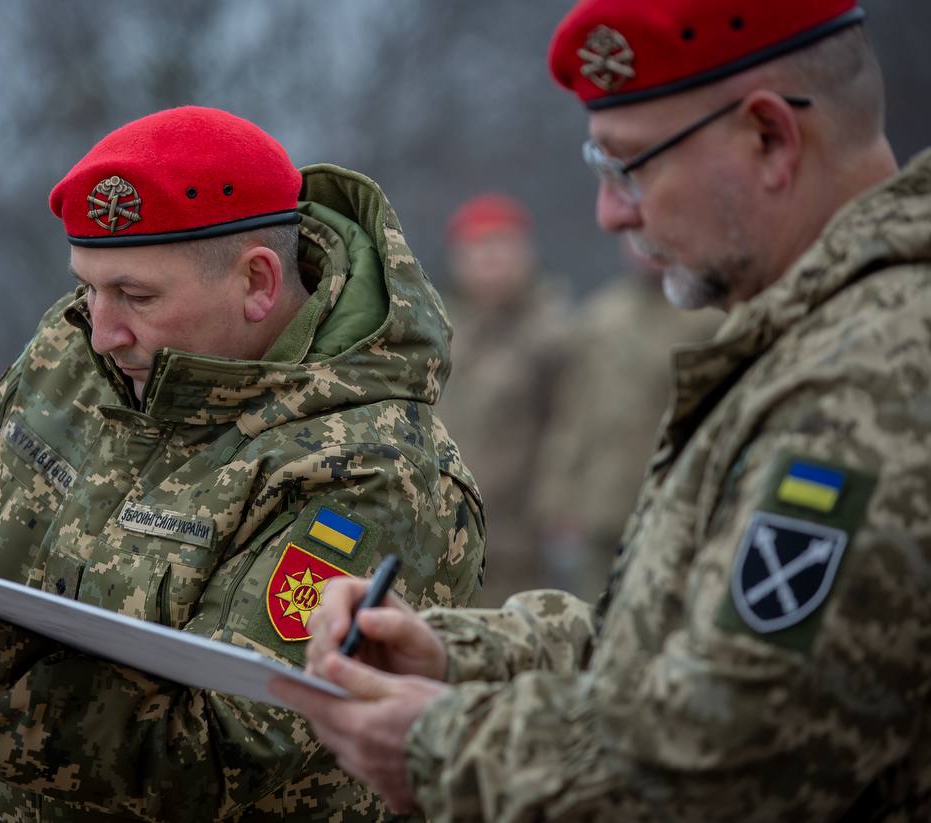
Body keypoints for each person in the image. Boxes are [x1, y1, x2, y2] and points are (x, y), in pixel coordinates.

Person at [272, 1, 931, 819]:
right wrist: (452, 655)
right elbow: (658, 641)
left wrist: (439, 743)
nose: (611, 213)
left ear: (770, 138)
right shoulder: (813, 339)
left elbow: (727, 751)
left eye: (630, 166)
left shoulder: (875, 370)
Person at [0, 106, 485, 821]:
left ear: (258, 283)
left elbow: (223, 751)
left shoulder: (374, 469)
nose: (100, 330)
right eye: (87, 285)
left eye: (136, 294)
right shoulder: (80, 347)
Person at [533, 237, 721, 599]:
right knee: (594, 616)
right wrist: (559, 495)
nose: (646, 250)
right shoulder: (601, 316)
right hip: (601, 506)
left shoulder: (707, 319)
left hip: (672, 502)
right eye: (637, 241)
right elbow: (573, 413)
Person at [437, 194, 568, 603]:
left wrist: (558, 508)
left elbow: (570, 426)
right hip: (440, 526)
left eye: (501, 247)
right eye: (477, 249)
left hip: (519, 537)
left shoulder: (553, 334)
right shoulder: (438, 329)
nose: (490, 262)